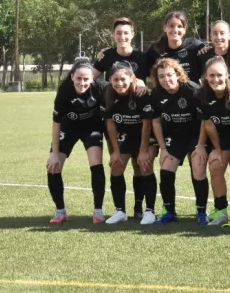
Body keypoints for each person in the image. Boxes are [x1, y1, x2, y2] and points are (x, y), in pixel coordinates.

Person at [47, 58, 108, 224]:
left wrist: (138, 82)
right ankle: (60, 211)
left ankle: (98, 212)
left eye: (86, 79)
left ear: (92, 78)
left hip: (92, 127)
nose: (82, 82)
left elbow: (122, 85)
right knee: (53, 166)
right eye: (79, 78)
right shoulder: (64, 92)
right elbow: (56, 124)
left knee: (96, 164)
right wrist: (54, 153)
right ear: (72, 76)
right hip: (68, 128)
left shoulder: (101, 88)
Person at [148, 58, 208, 225]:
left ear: (178, 74)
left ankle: (201, 212)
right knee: (166, 168)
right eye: (161, 76)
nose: (166, 79)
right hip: (174, 136)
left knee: (198, 167)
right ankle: (169, 212)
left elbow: (205, 121)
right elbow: (156, 122)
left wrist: (201, 145)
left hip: (196, 135)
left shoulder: (194, 91)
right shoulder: (156, 94)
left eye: (169, 75)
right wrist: (162, 148)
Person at [197, 55, 230, 226]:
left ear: (227, 74)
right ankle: (221, 209)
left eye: (219, 75)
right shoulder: (202, 94)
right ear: (206, 76)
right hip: (224, 138)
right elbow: (208, 124)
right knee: (215, 164)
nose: (216, 79)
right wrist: (218, 149)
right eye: (211, 75)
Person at [103, 62, 158, 224]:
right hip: (126, 135)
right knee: (116, 166)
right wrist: (115, 151)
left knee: (144, 165)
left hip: (145, 136)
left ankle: (149, 211)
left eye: (123, 79)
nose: (119, 83)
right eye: (115, 79)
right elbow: (110, 124)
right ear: (110, 80)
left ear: (132, 78)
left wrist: (143, 151)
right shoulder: (108, 95)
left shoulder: (141, 94)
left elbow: (147, 125)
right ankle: (120, 211)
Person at [148, 11, 207, 83]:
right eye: (171, 26)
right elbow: (142, 68)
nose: (175, 30)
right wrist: (139, 80)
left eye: (179, 26)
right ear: (165, 28)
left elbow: (211, 60)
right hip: (166, 90)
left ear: (184, 29)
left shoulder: (195, 46)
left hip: (192, 89)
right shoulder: (155, 49)